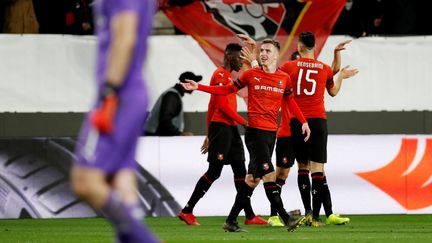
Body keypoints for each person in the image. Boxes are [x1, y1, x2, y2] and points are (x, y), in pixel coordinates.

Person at [181, 39, 311, 232]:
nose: (264, 53)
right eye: (262, 50)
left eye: (268, 50)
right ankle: (285, 217)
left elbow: (290, 101)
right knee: (268, 173)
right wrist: (199, 86)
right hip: (255, 133)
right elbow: (226, 90)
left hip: (270, 133)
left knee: (251, 179)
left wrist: (304, 121)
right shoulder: (251, 74)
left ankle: (231, 221)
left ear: (276, 55)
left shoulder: (284, 78)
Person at [71, 0, 159, 242]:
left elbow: (126, 37)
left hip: (118, 95)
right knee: (121, 182)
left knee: (85, 181)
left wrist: (110, 91)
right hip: (132, 92)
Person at [178, 43, 267, 226]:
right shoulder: (220, 75)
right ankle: (187, 210)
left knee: (240, 170)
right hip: (222, 127)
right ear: (228, 56)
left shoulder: (227, 76)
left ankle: (249, 215)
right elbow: (222, 107)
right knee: (214, 171)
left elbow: (211, 105)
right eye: (239, 58)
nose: (241, 62)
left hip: (228, 128)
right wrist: (243, 123)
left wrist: (208, 133)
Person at [279, 32, 358, 227]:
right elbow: (332, 91)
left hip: (298, 121)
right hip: (318, 121)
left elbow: (275, 79)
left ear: (299, 47)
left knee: (302, 167)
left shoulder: (289, 66)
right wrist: (340, 72)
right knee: (318, 169)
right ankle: (315, 217)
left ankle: (307, 212)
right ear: (314, 47)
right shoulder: (323, 68)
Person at [145, 71, 202, 136]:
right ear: (187, 84)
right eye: (193, 83)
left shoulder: (174, 94)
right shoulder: (172, 96)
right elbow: (164, 119)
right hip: (156, 138)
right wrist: (179, 133)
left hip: (158, 136)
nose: (195, 87)